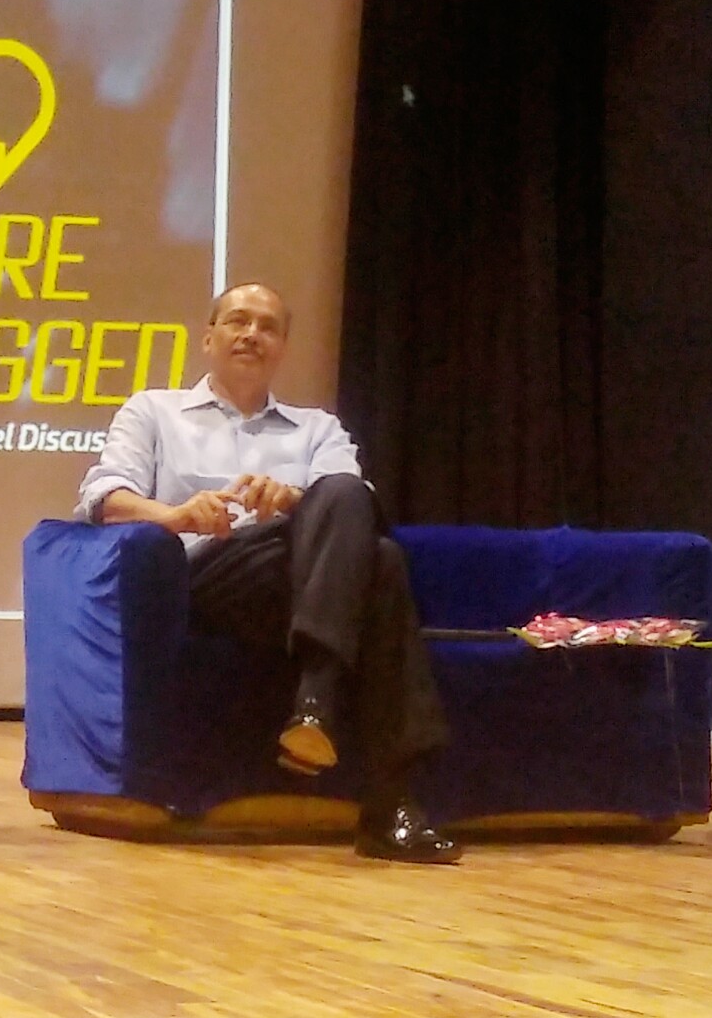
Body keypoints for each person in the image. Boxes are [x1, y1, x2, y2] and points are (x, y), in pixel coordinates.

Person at [76, 283, 458, 863]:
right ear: (209, 338)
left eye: (268, 327)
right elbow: (104, 496)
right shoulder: (153, 410)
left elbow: (354, 505)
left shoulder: (316, 428)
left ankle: (320, 718)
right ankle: (372, 775)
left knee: (368, 539)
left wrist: (294, 502)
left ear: (282, 347)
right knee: (377, 560)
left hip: (300, 580)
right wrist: (176, 514)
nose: (251, 334)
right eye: (237, 321)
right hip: (208, 573)